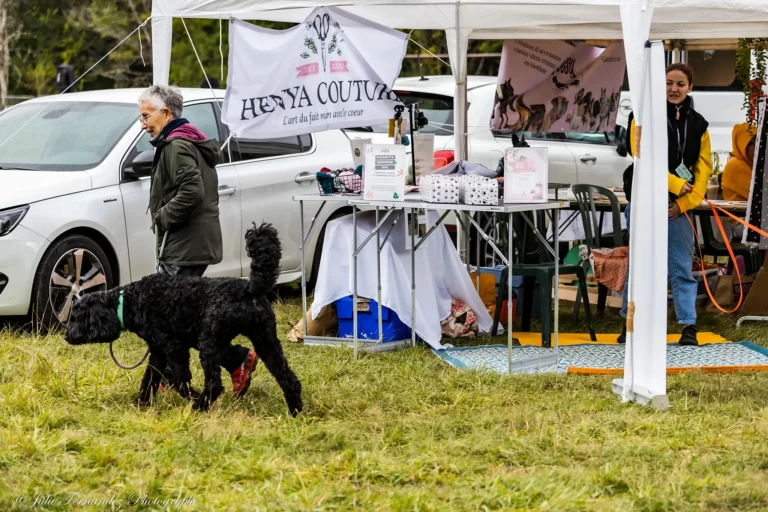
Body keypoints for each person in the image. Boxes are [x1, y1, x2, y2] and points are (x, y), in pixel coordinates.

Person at [137, 85, 258, 396]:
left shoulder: (176, 145)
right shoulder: (183, 139)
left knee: (171, 321)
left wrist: (162, 218)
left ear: (167, 113)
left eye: (146, 116)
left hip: (186, 245)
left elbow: (192, 192)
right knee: (176, 318)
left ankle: (236, 360)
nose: (143, 123)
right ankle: (166, 377)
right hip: (189, 243)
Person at [619, 63, 713, 346]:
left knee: (682, 268)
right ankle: (631, 325)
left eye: (680, 84)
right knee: (639, 267)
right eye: (669, 83)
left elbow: (704, 169)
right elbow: (642, 158)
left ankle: (688, 327)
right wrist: (673, 184)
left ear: (690, 88)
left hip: (677, 209)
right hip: (645, 204)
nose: (674, 89)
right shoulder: (641, 119)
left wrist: (683, 204)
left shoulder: (699, 124)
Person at [722, 122, 756, 202]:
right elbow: (759, 194)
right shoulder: (738, 166)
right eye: (753, 144)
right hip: (739, 213)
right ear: (742, 145)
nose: (757, 149)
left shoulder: (745, 162)